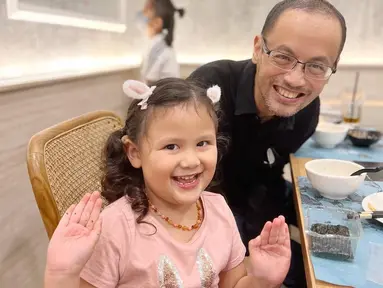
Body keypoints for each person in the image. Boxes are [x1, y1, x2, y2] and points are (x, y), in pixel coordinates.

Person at [44, 78, 292, 288]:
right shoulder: (114, 228)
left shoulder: (218, 209)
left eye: (203, 143)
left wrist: (261, 279)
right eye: (171, 146)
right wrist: (62, 275)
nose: (190, 160)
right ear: (135, 152)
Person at [187, 0, 347, 286]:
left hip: (265, 202)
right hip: (208, 213)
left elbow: (274, 171)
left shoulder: (307, 110)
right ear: (258, 49)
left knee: (340, 242)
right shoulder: (208, 93)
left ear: (333, 68)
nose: (296, 80)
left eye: (317, 66)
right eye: (283, 57)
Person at [136, 0, 185, 85]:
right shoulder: (158, 46)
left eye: (145, 13)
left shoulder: (158, 50)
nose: (142, 16)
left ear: (157, 23)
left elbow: (148, 83)